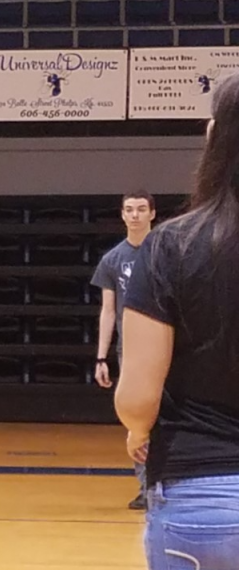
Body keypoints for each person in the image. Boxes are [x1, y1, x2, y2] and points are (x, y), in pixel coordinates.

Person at [115, 72, 239, 570]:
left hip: (203, 501)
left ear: (216, 137)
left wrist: (138, 429)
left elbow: (138, 397)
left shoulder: (172, 245)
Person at [91, 191, 157, 509]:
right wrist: (101, 357)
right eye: (129, 210)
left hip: (164, 346)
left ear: (152, 214)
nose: (135, 215)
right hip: (129, 350)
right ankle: (146, 487)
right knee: (137, 419)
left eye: (141, 209)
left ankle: (167, 483)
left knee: (167, 416)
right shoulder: (112, 259)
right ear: (122, 214)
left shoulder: (166, 251)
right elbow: (108, 311)